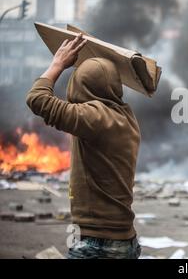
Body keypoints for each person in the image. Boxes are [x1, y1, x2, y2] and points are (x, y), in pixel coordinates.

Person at [26, 34, 141, 259]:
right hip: (124, 240)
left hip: (98, 244)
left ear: (80, 85)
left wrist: (57, 65)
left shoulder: (95, 118)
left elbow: (37, 99)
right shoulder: (124, 116)